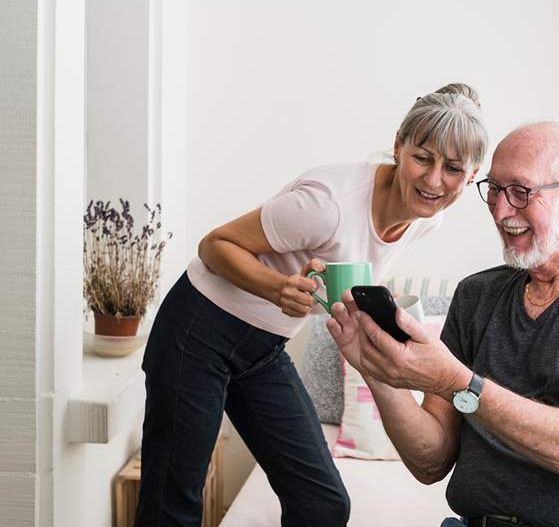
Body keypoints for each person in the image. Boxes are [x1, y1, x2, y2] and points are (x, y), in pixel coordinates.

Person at [133, 83, 489, 527]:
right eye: (423, 157)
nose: (434, 180)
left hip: (261, 350)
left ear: (472, 174)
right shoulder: (328, 204)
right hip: (198, 329)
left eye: (453, 168)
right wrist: (276, 287)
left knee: (322, 504)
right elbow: (214, 246)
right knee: (172, 506)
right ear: (399, 145)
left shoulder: (427, 221)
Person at [327, 122, 559, 526]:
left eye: (521, 191)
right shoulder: (476, 295)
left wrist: (458, 383)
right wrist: (377, 371)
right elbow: (430, 462)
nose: (500, 211)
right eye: (494, 190)